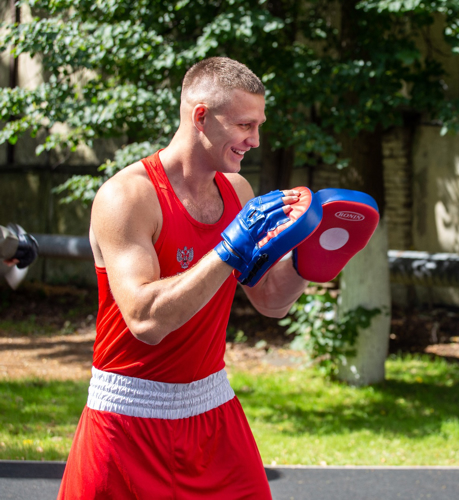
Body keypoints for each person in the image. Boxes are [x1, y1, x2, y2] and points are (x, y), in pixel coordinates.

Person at [58, 57, 377, 499]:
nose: (256, 140)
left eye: (259, 125)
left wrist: (310, 261)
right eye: (246, 125)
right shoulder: (127, 197)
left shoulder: (237, 192)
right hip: (126, 419)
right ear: (201, 117)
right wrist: (229, 249)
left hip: (212, 413)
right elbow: (146, 321)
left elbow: (269, 301)